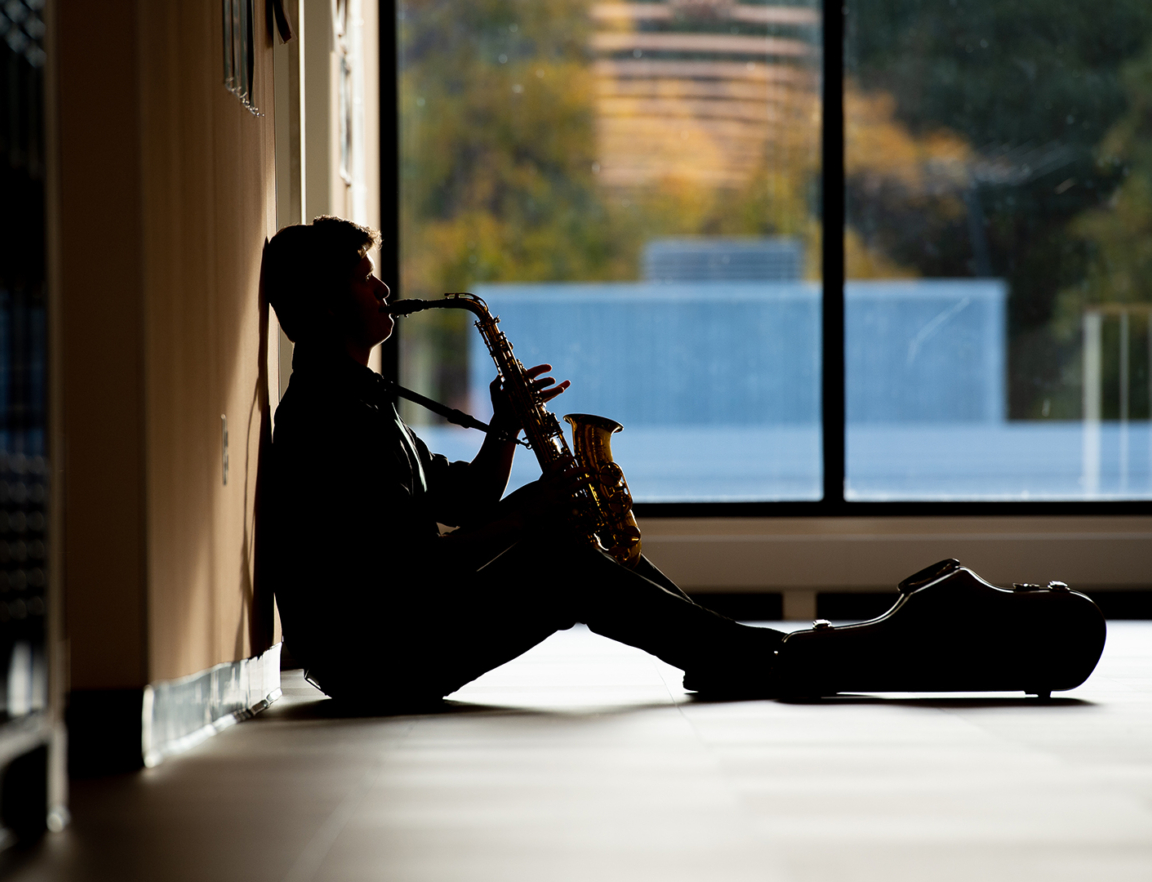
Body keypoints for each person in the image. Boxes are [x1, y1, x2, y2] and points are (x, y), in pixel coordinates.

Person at [260, 217, 785, 704]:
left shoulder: (359, 400)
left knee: (567, 539)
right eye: (364, 279)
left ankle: (725, 652)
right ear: (327, 304)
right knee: (565, 562)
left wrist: (507, 426)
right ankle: (755, 656)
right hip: (377, 660)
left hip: (392, 637)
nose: (383, 290)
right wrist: (534, 512)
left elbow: (467, 498)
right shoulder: (329, 417)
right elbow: (419, 567)